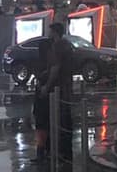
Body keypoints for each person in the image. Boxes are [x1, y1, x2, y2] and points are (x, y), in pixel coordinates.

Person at [44, 23, 74, 165]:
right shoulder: (67, 45)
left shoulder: (57, 46)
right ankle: (66, 153)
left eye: (50, 31)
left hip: (59, 88)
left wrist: (47, 85)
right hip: (67, 85)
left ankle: (60, 154)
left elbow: (56, 67)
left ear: (54, 32)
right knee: (66, 119)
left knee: (59, 119)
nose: (48, 33)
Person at [32, 36, 52, 161]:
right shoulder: (50, 63)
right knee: (45, 124)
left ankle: (41, 151)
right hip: (44, 97)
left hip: (41, 98)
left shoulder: (44, 63)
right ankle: (46, 150)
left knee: (42, 125)